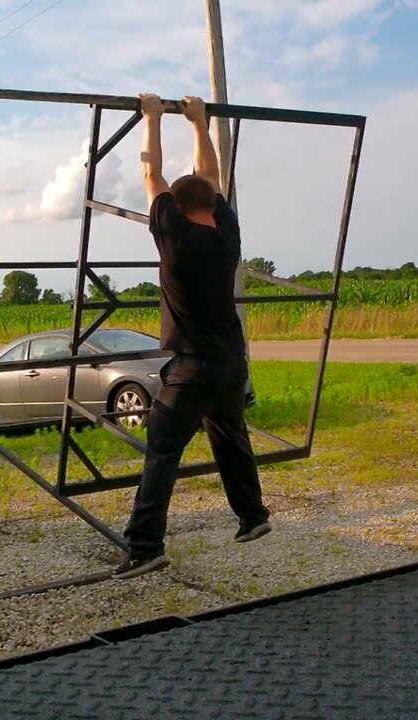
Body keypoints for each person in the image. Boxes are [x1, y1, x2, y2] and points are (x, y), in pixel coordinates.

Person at [113, 93, 272, 580]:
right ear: (212, 204)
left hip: (193, 365)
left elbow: (149, 174)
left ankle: (144, 547)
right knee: (230, 436)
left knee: (161, 449)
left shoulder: (175, 238)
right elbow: (211, 178)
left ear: (176, 208)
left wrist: (152, 118)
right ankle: (252, 516)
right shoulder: (228, 234)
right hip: (230, 362)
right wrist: (200, 124)